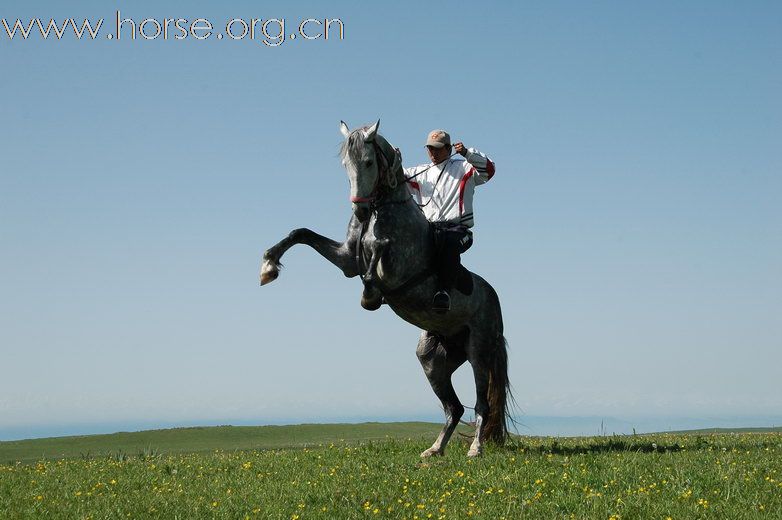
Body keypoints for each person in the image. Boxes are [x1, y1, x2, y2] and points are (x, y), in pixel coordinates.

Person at [404, 129, 496, 313]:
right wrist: (392, 160)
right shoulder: (420, 172)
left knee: (448, 244)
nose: (433, 153)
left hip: (458, 231)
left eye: (437, 149)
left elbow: (489, 170)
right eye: (430, 149)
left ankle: (443, 292)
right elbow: (394, 179)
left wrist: (467, 153)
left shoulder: (464, 168)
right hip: (429, 230)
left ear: (448, 148)